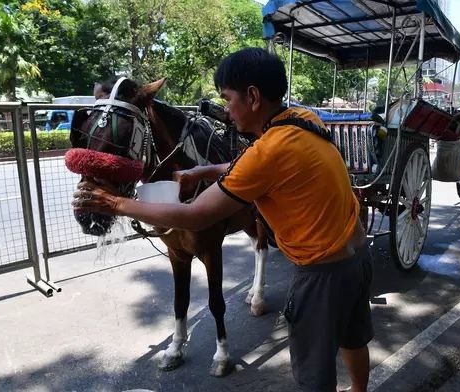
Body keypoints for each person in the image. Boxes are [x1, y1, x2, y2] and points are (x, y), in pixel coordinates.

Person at [73, 47, 373, 392]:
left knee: (313, 374)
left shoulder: (266, 152)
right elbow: (257, 169)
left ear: (253, 97)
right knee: (352, 338)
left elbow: (196, 215)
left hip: (322, 275)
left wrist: (113, 202)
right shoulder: (302, 120)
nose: (227, 112)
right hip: (356, 255)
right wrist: (206, 169)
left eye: (228, 99)